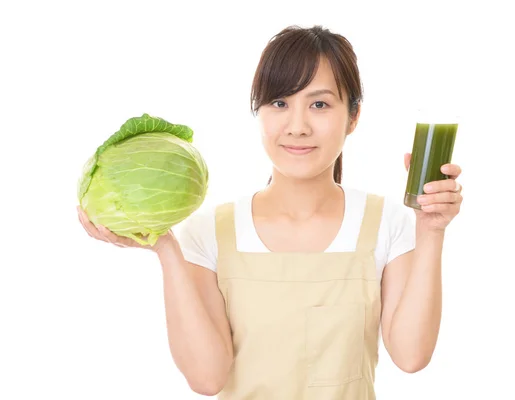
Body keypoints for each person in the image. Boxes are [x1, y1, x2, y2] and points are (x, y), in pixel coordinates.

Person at [77, 24, 463, 399]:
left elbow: (411, 357)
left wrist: (430, 230)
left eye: (319, 104)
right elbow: (207, 379)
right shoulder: (208, 231)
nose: (297, 126)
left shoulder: (386, 223)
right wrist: (165, 248)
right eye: (279, 103)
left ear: (353, 117)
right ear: (258, 112)